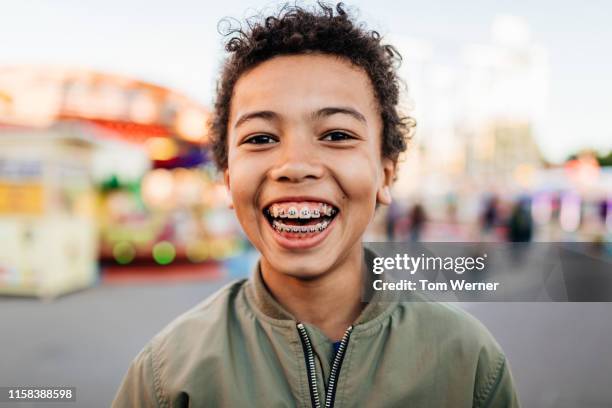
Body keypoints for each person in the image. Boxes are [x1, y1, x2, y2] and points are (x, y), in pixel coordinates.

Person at [112, 3, 520, 407]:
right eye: (260, 138)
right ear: (229, 179)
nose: (295, 166)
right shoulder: (167, 377)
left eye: (337, 134)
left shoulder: (467, 364)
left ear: (385, 174)